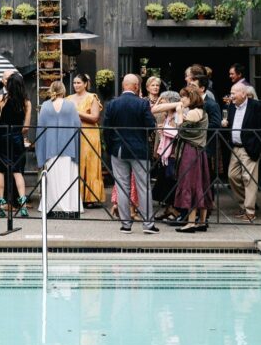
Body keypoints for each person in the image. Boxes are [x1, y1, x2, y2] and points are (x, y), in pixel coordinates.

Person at [102, 73, 158, 233]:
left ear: (123, 86)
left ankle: (125, 224)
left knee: (122, 186)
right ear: (136, 86)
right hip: (139, 150)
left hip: (118, 150)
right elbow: (151, 125)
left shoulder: (113, 104)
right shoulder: (142, 104)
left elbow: (106, 129)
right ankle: (148, 224)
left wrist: (111, 146)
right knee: (144, 187)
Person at [35, 80, 82, 217]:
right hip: (68, 146)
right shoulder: (70, 105)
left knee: (52, 177)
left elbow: (40, 129)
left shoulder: (45, 106)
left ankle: (51, 205)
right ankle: (70, 206)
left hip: (50, 147)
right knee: (68, 177)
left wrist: (40, 150)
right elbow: (77, 126)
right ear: (63, 90)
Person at [0, 72, 32, 217]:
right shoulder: (26, 102)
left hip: (0, 137)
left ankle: (1, 206)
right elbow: (26, 127)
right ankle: (23, 205)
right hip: (16, 138)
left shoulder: (1, 98)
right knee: (17, 171)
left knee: (0, 170)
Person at [173, 85, 213, 233]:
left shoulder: (193, 112)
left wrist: (179, 113)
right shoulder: (202, 112)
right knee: (201, 183)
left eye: (183, 97)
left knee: (190, 183)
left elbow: (181, 130)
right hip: (199, 151)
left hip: (191, 151)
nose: (181, 99)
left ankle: (190, 222)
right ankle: (201, 221)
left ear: (191, 98)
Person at [222, 83, 261, 223]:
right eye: (231, 93)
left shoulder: (256, 106)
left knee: (249, 179)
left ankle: (250, 211)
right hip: (235, 148)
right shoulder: (231, 107)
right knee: (232, 176)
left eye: (234, 93)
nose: (231, 96)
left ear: (244, 94)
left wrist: (259, 148)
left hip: (249, 148)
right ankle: (243, 205)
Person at [67, 72, 104, 207]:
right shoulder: (68, 98)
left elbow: (95, 117)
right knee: (76, 162)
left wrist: (77, 113)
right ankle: (76, 195)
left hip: (89, 133)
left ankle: (91, 197)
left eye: (79, 83)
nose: (76, 85)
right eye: (74, 83)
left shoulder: (92, 97)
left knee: (89, 163)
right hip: (73, 133)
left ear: (85, 84)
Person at [152, 90, 181, 220]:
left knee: (171, 179)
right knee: (165, 180)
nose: (161, 104)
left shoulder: (177, 113)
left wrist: (165, 129)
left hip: (173, 153)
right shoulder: (167, 115)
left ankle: (174, 209)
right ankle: (168, 208)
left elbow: (178, 133)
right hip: (165, 153)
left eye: (164, 101)